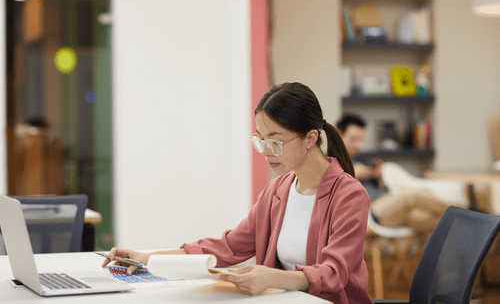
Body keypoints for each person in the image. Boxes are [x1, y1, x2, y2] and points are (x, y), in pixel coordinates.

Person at [102, 82, 372, 304]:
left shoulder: (349, 195)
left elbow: (333, 273)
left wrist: (271, 278)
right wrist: (149, 258)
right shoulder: (277, 190)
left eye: (275, 141)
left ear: (311, 138)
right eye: (260, 139)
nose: (266, 151)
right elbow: (229, 247)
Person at [336, 114, 452, 232]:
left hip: (389, 204)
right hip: (371, 212)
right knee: (413, 195)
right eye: (353, 139)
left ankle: (462, 220)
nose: (358, 145)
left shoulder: (361, 161)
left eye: (361, 140)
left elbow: (380, 188)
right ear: (338, 134)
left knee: (438, 220)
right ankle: (463, 213)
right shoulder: (328, 161)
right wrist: (352, 174)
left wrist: (379, 176)